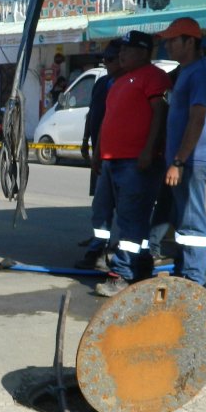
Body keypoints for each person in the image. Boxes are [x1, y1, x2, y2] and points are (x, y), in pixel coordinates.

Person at [93, 30, 171, 297]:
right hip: (114, 160)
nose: (121, 54)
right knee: (130, 219)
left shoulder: (154, 78)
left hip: (136, 162)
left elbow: (159, 114)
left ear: (143, 52)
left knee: (130, 219)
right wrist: (99, 154)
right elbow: (110, 119)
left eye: (127, 50)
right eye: (121, 50)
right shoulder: (120, 81)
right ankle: (139, 265)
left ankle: (122, 273)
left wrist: (149, 150)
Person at [158, 18, 206, 287]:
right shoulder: (187, 72)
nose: (168, 45)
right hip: (182, 161)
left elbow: (197, 119)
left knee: (192, 222)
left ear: (190, 41)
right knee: (183, 220)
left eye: (173, 40)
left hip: (190, 162)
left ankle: (194, 280)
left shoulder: (201, 73)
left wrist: (179, 161)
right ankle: (186, 272)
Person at [75, 40, 122, 270]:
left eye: (111, 59)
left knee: (121, 206)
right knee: (100, 204)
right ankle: (97, 247)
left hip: (119, 155)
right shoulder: (102, 83)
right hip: (100, 151)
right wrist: (86, 142)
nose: (107, 63)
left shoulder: (126, 83)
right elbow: (94, 115)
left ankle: (115, 250)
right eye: (105, 59)